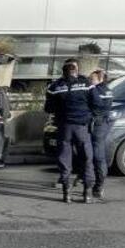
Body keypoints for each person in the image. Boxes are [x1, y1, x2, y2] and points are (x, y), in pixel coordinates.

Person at [44, 58, 96, 204]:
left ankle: (66, 193)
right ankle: (87, 194)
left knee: (64, 159)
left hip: (64, 128)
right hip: (82, 127)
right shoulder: (86, 84)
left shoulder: (54, 86)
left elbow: (48, 108)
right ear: (76, 70)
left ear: (63, 71)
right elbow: (95, 102)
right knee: (86, 158)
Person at [88, 69, 113, 200]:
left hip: (97, 125)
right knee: (93, 154)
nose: (89, 81)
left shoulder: (98, 91)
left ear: (101, 79)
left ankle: (98, 185)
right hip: (101, 124)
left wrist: (91, 89)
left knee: (97, 155)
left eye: (92, 79)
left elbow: (97, 105)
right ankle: (93, 182)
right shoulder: (106, 90)